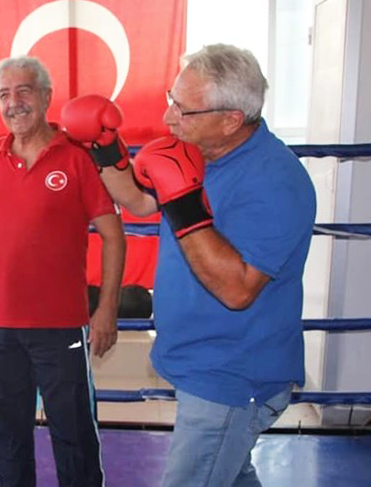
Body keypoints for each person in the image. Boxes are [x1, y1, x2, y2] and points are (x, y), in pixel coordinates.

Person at [62, 44, 316, 487]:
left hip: (233, 378)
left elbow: (238, 289)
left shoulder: (277, 182)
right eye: (172, 99)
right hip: (200, 363)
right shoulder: (198, 152)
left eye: (184, 109)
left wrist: (183, 204)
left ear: (231, 119)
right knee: (231, 476)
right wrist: (104, 148)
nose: (169, 118)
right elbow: (139, 200)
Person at [0, 56, 125, 487]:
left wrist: (107, 309)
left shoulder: (77, 159)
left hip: (59, 326)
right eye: (4, 94)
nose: (14, 103)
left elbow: (114, 236)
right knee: (6, 435)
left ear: (46, 96)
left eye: (23, 91)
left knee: (74, 434)